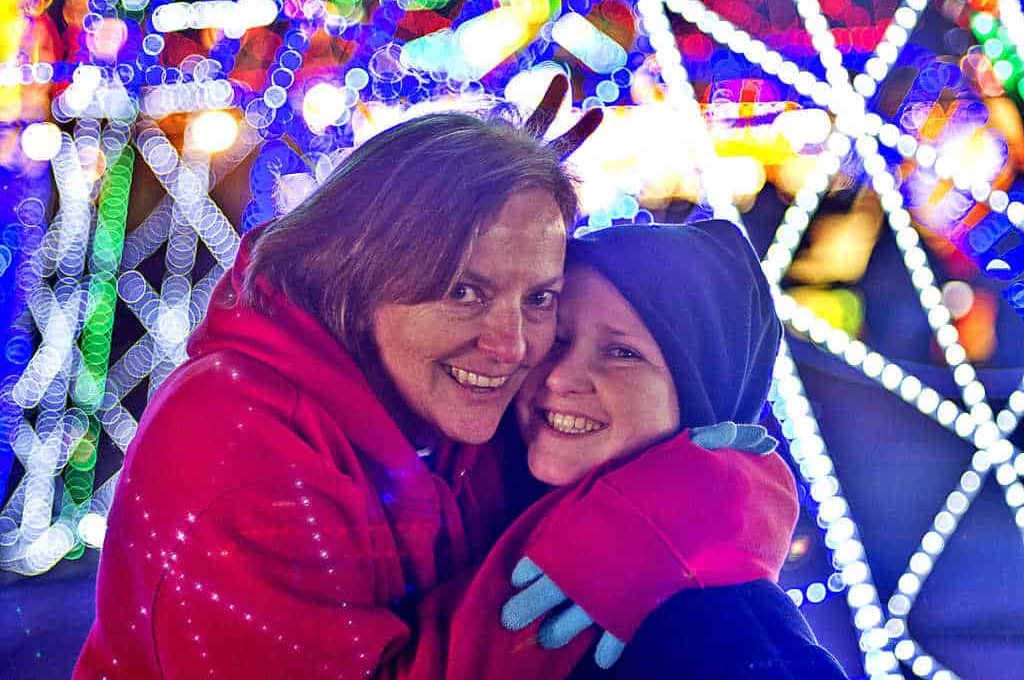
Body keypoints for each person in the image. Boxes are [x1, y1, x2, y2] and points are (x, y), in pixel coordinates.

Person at [74, 81, 602, 679]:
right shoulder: (236, 447)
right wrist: (621, 545)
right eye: (463, 290)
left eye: (539, 297)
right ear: (354, 274)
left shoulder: (433, 395)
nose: (513, 346)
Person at [410, 220, 847, 679]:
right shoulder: (454, 503)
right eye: (556, 338)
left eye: (622, 353)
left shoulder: (724, 630)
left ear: (701, 392)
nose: (560, 377)